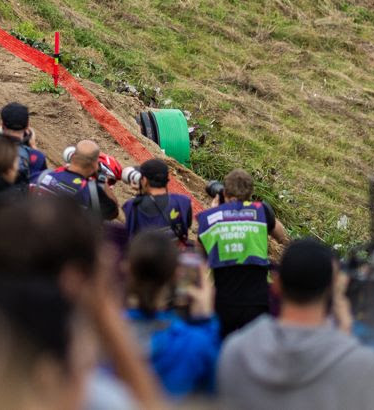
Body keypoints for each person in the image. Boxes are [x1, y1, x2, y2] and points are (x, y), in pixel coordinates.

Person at [217, 237, 374, 409]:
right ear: (333, 289)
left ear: (276, 284)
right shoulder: (362, 364)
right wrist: (346, 334)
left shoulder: (235, 352)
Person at [125, 230, 221, 399]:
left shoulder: (106, 333)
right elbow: (213, 388)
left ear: (127, 269)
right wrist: (206, 319)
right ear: (176, 275)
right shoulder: (195, 343)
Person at [194, 168, 287, 339]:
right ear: (250, 193)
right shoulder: (262, 211)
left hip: (224, 300)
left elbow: (199, 252)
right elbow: (282, 237)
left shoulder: (209, 217)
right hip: (257, 299)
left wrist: (215, 211)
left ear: (224, 192)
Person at [122, 158, 193, 245]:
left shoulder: (132, 206)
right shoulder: (183, 202)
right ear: (166, 179)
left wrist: (140, 193)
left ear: (144, 180)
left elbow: (132, 235)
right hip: (176, 252)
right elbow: (187, 225)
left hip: (147, 253)